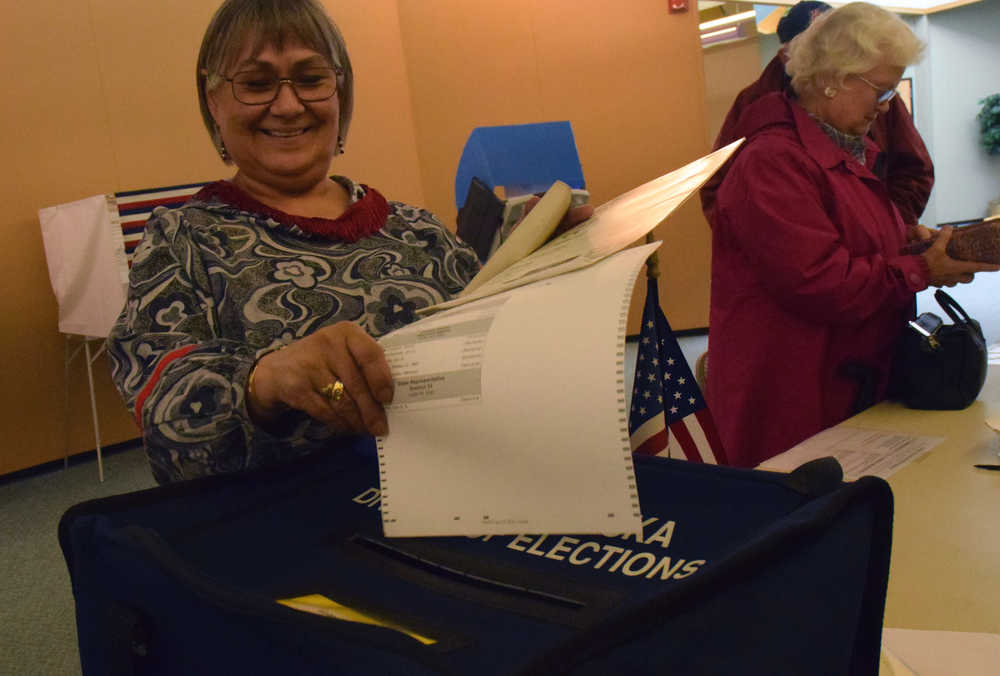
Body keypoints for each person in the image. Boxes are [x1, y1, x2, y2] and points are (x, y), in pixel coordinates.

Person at [108, 0, 588, 483]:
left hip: (469, 493)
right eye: (256, 84)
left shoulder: (418, 230)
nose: (288, 105)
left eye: (311, 79)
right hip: (294, 522)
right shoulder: (182, 240)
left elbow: (498, 357)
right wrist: (264, 381)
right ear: (214, 102)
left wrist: (537, 270)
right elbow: (165, 422)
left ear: (341, 93)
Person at [706, 2, 998, 468]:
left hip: (842, 382)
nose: (887, 106)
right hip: (795, 394)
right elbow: (820, 283)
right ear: (832, 78)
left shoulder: (842, 149)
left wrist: (906, 241)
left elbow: (843, 240)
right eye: (882, 90)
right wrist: (921, 269)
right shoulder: (772, 162)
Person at [700, 1, 934, 227]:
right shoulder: (761, 122)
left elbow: (913, 168)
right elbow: (718, 186)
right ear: (785, 52)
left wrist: (893, 227)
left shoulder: (877, 97)